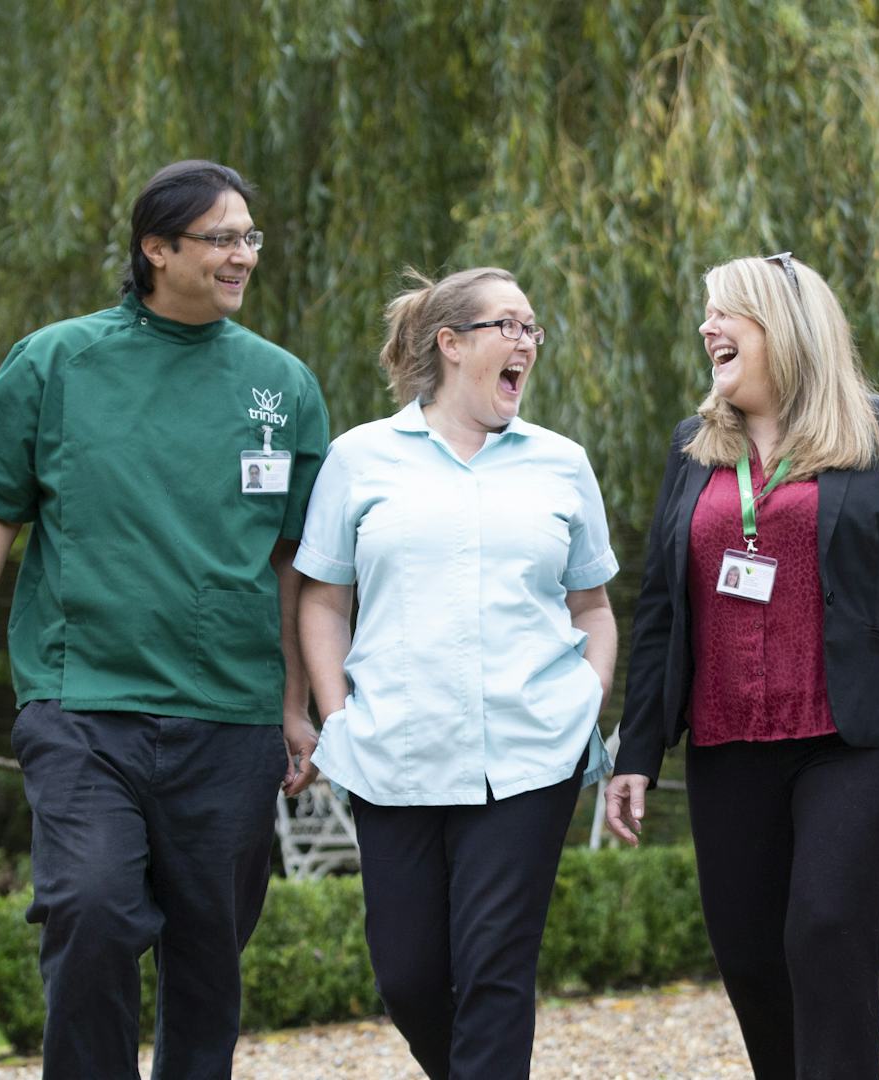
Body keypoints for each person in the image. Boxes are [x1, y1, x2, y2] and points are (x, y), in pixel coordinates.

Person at [0, 160, 329, 1079]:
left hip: (229, 712)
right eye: (222, 238)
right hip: (82, 702)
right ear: (156, 247)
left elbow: (298, 563)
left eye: (250, 238)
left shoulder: (283, 385)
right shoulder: (55, 361)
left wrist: (293, 705)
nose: (242, 256)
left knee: (209, 950)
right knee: (93, 911)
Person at [605, 253, 879, 1079]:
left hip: (856, 738)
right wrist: (634, 753)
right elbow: (662, 608)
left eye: (726, 312)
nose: (707, 328)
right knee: (747, 953)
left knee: (826, 926)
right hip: (728, 739)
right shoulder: (694, 447)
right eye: (706, 313)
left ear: (785, 324)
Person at [291, 267, 618, 1078]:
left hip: (531, 753)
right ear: (451, 343)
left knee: (496, 973)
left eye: (533, 329)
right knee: (407, 976)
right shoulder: (358, 458)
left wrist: (586, 701)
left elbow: (595, 610)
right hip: (393, 753)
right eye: (508, 325)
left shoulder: (561, 463)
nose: (526, 342)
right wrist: (336, 717)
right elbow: (324, 602)